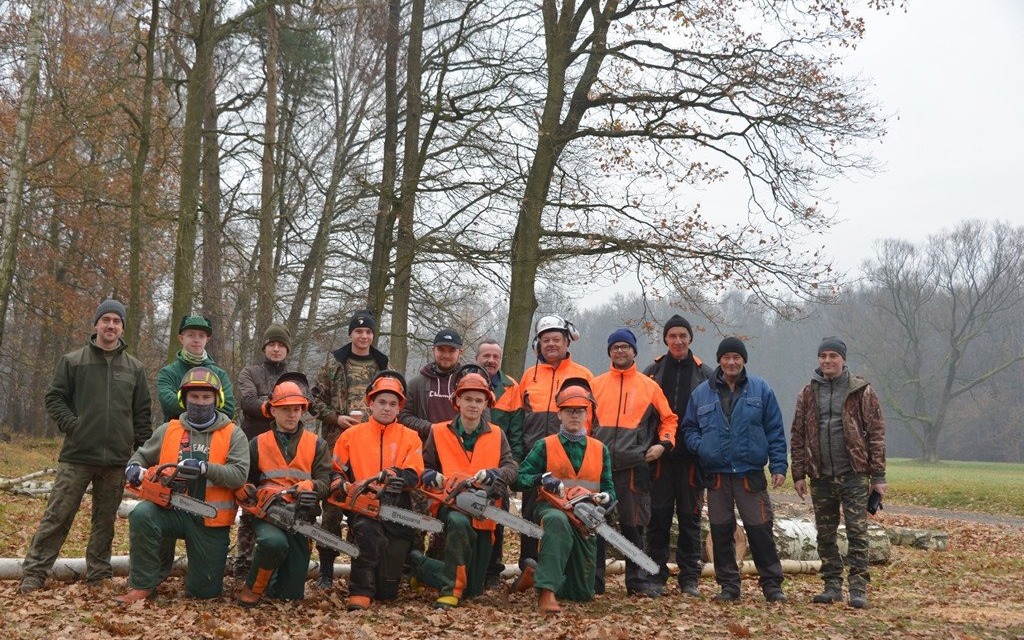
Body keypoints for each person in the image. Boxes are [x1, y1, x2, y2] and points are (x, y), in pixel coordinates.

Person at [20, 299, 153, 594]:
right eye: (105, 319)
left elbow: (143, 415)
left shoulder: (135, 368)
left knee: (105, 522)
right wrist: (73, 425)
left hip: (117, 459)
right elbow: (54, 397)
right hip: (77, 456)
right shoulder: (74, 361)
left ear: (122, 327)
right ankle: (34, 572)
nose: (110, 325)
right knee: (58, 515)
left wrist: (142, 454)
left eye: (116, 321)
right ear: (95, 324)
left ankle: (98, 575)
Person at [116, 367, 249, 603]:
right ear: (184, 399)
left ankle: (200, 579)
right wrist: (134, 467)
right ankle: (143, 585)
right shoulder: (169, 429)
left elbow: (238, 475)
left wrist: (204, 468)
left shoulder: (233, 434)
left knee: (204, 593)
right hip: (170, 509)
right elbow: (141, 455)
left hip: (210, 518)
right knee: (142, 514)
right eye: (194, 397)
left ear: (216, 399)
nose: (200, 402)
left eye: (206, 397)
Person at [682, 337, 788, 603]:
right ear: (719, 360)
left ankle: (772, 585)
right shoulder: (702, 393)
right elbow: (689, 428)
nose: (731, 362)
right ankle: (729, 586)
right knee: (720, 531)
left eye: (736, 357)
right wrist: (702, 445)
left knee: (760, 530)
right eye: (726, 357)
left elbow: (775, 430)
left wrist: (778, 466)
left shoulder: (761, 389)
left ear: (743, 361)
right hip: (716, 475)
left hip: (749, 473)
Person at [790, 336, 887, 609]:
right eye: (823, 356)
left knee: (857, 533)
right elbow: (797, 435)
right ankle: (831, 585)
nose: (827, 361)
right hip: (820, 476)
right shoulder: (807, 393)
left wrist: (878, 476)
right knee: (825, 534)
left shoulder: (862, 391)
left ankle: (858, 588)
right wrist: (798, 473)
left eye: (833, 356)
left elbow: (877, 433)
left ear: (843, 359)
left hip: (854, 474)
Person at [410, 372, 518, 608]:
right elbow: (424, 466)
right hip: (451, 504)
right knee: (458, 522)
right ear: (457, 401)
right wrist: (428, 474)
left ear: (486, 404)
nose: (473, 404)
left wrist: (495, 474)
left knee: (474, 588)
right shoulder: (438, 431)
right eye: (468, 399)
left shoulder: (497, 434)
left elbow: (511, 467)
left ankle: (421, 567)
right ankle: (451, 590)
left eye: (479, 400)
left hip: (484, 509)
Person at [512, 382, 615, 614]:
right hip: (551, 508)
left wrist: (604, 500)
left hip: (584, 517)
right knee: (557, 522)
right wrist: (540, 479)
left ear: (587, 414)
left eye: (579, 410)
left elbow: (609, 488)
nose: (574, 415)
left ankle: (536, 575)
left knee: (582, 593)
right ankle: (546, 592)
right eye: (569, 410)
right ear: (559, 414)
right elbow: (518, 478)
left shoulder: (600, 449)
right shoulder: (545, 445)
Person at [591, 327, 677, 598]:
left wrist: (663, 445)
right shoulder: (596, 384)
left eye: (624, 347)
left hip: (633, 464)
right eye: (615, 347)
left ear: (633, 351)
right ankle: (594, 581)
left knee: (633, 524)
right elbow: (583, 420)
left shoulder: (649, 386)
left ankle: (637, 580)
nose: (620, 351)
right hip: (598, 464)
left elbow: (669, 419)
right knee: (594, 523)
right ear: (609, 352)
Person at [329, 371, 424, 612]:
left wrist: (398, 477)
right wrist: (339, 483)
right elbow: (335, 469)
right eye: (381, 402)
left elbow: (415, 473)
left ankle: (384, 584)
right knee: (367, 532)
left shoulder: (410, 437)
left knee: (387, 593)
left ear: (399, 407)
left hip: (397, 505)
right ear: (371, 403)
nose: (386, 408)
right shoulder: (351, 435)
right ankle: (359, 591)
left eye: (392, 404)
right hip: (363, 502)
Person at [235, 378, 332, 606]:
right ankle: (252, 590)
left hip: (300, 516)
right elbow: (244, 479)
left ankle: (274, 581)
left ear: (303, 411)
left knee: (291, 594)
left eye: (296, 409)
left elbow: (325, 483)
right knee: (273, 543)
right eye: (285, 409)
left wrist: (312, 487)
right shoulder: (257, 443)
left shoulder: (317, 444)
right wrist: (248, 491)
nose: (291, 414)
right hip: (268, 514)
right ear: (273, 410)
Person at [309, 309, 388, 588]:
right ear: (351, 334)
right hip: (335, 447)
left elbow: (391, 403)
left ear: (373, 335)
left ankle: (361, 567)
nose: (363, 336)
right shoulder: (334, 365)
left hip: (370, 449)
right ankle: (326, 570)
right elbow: (313, 401)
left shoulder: (382, 366)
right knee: (331, 507)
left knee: (365, 506)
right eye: (358, 331)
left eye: (368, 332)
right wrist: (335, 417)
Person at [643, 314, 713, 596]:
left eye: (683, 335)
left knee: (690, 520)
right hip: (659, 460)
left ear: (690, 339)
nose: (678, 341)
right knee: (657, 519)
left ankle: (689, 578)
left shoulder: (706, 373)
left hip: (692, 461)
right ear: (666, 340)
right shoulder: (652, 371)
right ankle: (655, 574)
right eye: (672, 336)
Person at [518, 314, 593, 567]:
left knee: (571, 514)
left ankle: (569, 567)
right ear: (538, 344)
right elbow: (520, 417)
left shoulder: (583, 375)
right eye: (546, 340)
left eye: (556, 339)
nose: (551, 344)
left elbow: (593, 418)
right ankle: (529, 565)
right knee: (530, 515)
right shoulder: (529, 375)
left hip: (571, 458)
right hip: (535, 456)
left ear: (567, 342)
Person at [232, 323, 292, 579]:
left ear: (287, 349)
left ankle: (276, 564)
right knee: (250, 501)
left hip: (285, 446)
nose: (276, 349)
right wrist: (276, 405)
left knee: (282, 499)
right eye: (272, 344)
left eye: (280, 345)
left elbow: (303, 403)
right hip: (253, 442)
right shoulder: (251, 372)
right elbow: (248, 401)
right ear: (265, 347)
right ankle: (243, 562)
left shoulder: (294, 377)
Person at [474, 338, 524, 587]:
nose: (491, 360)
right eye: (486, 356)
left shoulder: (510, 387)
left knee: (498, 517)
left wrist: (511, 469)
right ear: (477, 358)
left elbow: (516, 433)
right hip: (468, 459)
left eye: (495, 356)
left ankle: (493, 570)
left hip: (498, 464)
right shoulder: (466, 382)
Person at [157, 314, 235, 421]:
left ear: (207, 339)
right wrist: (209, 404)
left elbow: (229, 408)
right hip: (177, 434)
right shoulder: (168, 373)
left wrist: (185, 404)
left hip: (212, 435)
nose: (196, 340)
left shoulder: (220, 374)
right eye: (191, 335)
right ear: (181, 338)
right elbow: (168, 405)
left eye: (201, 336)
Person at [400, 328, 465, 439]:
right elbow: (403, 416)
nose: (446, 355)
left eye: (452, 350)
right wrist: (431, 428)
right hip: (426, 450)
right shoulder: (416, 384)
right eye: (441, 350)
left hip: (460, 449)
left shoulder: (470, 383)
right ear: (433, 350)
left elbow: (483, 419)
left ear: (461, 352)